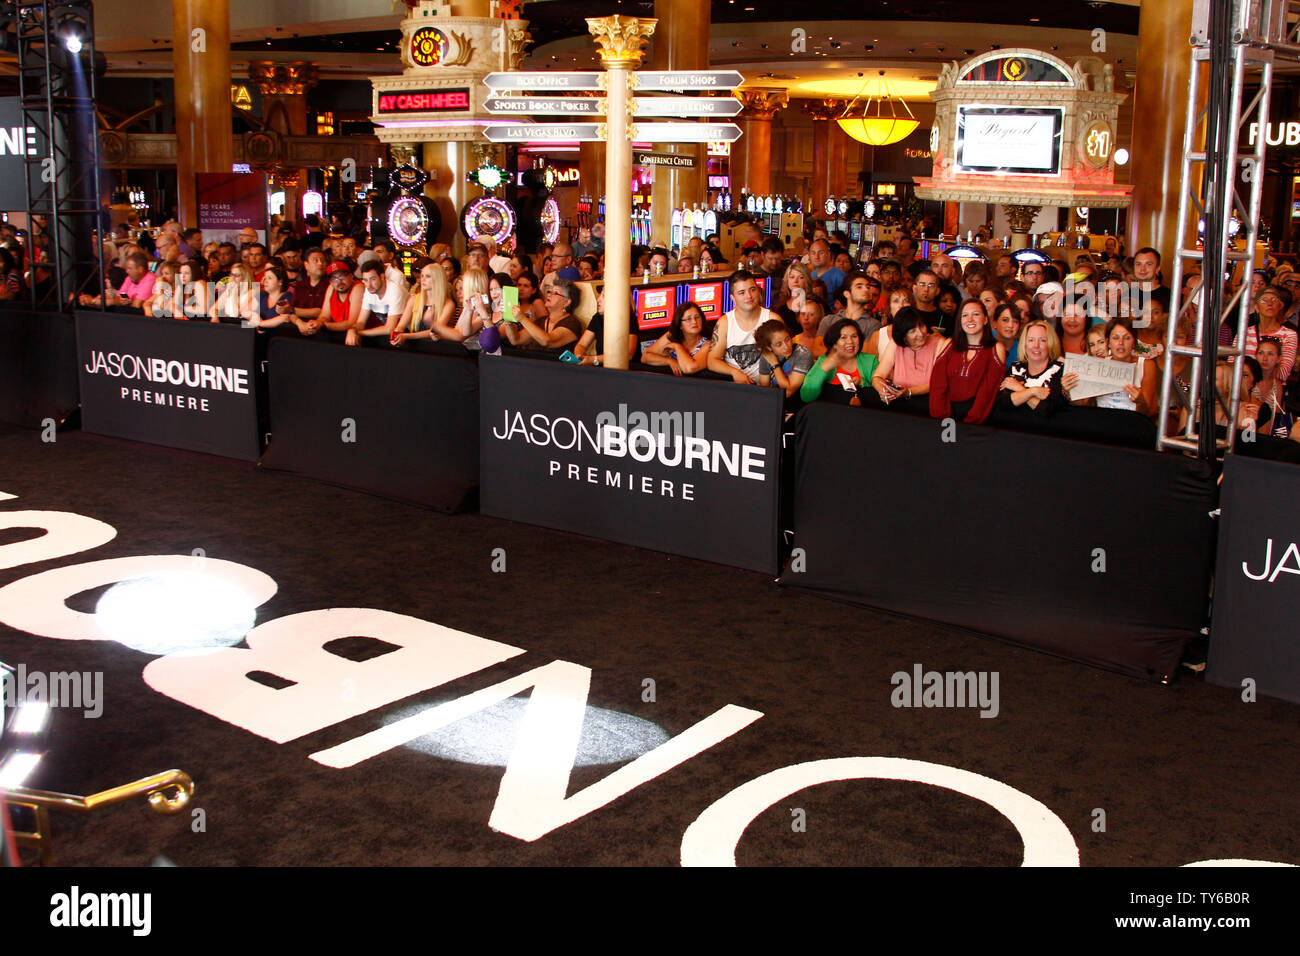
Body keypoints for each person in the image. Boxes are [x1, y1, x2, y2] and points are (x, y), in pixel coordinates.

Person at [929, 299, 1003, 424]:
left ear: (985, 320)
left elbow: (988, 390)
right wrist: (941, 418)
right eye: (965, 315)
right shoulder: (949, 344)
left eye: (976, 314)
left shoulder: (996, 349)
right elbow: (938, 383)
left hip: (977, 418)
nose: (970, 319)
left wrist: (971, 422)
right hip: (945, 415)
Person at [870, 307, 949, 413]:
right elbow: (877, 377)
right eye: (913, 331)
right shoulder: (895, 344)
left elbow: (939, 383)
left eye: (921, 326)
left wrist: (909, 392)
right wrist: (883, 391)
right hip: (900, 406)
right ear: (903, 335)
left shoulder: (940, 343)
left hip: (928, 406)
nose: (920, 334)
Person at [708, 270, 774, 384]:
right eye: (741, 292)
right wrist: (734, 372)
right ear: (733, 298)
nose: (749, 296)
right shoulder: (724, 323)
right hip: (737, 389)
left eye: (752, 290)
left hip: (769, 388)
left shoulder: (772, 319)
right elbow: (712, 361)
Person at [997, 319, 1073, 417]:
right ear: (1024, 344)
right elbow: (1003, 403)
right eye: (1031, 340)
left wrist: (1018, 389)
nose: (1036, 346)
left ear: (1050, 343)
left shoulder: (1060, 370)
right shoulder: (1016, 367)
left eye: (1042, 340)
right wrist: (1033, 391)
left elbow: (1047, 410)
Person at [799, 318, 877, 405]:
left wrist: (862, 382)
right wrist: (824, 369)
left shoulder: (871, 360)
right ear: (834, 343)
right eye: (843, 337)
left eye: (854, 336)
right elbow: (806, 396)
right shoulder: (825, 360)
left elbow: (879, 396)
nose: (850, 341)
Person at [1094, 316, 1159, 418]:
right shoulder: (1098, 363)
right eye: (1115, 338)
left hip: (1131, 423)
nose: (1121, 343)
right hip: (1102, 422)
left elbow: (1147, 412)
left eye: (1127, 338)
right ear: (1108, 342)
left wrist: (1140, 401)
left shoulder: (1146, 365)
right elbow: (1084, 404)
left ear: (1134, 343)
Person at [503, 275, 582, 351]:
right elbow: (516, 340)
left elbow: (547, 341)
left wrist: (522, 318)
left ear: (567, 302)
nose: (549, 295)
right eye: (549, 291)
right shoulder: (541, 321)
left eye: (555, 293)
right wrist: (508, 319)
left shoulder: (572, 323)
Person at [391, 260, 456, 347]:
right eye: (422, 276)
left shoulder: (448, 304)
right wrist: (396, 334)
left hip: (438, 347)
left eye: (428, 276)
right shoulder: (414, 299)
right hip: (415, 346)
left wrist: (407, 336)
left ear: (438, 279)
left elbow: (436, 331)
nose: (423, 279)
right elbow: (401, 325)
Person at [348, 257, 409, 344]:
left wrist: (359, 333)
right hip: (389, 337)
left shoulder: (395, 290)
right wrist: (352, 330)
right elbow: (361, 322)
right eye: (365, 280)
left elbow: (389, 328)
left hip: (409, 335)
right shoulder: (369, 290)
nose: (369, 285)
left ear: (382, 277)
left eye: (373, 279)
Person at [642, 301, 712, 375]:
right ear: (680, 325)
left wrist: (677, 346)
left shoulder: (709, 343)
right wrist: (669, 361)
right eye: (688, 319)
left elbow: (690, 368)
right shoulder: (672, 335)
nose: (694, 321)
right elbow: (645, 357)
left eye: (697, 317)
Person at [573, 286, 636, 366]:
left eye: (603, 296)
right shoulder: (598, 318)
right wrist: (579, 355)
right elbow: (581, 345)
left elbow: (627, 355)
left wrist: (594, 359)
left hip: (626, 372)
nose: (598, 300)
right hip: (603, 369)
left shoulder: (629, 319)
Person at [755, 318, 813, 399]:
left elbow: (788, 392)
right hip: (774, 400)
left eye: (787, 339)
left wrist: (775, 364)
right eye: (779, 344)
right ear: (769, 347)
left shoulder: (803, 354)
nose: (786, 346)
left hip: (798, 402)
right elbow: (764, 389)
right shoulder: (767, 355)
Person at [807, 238, 844, 304]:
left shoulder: (839, 276)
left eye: (821, 253)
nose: (816, 256)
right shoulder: (811, 275)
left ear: (828, 254)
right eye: (813, 253)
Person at [990, 303, 1021, 369]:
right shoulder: (985, 340)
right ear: (995, 323)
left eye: (1015, 321)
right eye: (1005, 320)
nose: (1010, 325)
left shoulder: (1022, 351)